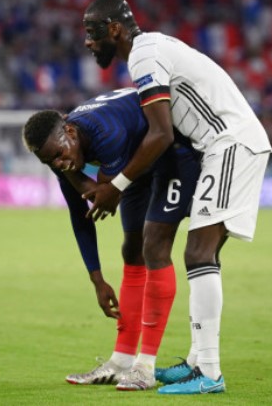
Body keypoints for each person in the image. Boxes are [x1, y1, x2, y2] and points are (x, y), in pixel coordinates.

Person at [81, 0, 272, 395]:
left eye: (91, 31)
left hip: (229, 144)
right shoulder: (153, 47)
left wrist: (116, 187)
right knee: (202, 254)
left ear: (114, 28)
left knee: (198, 254)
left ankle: (211, 374)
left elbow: (161, 133)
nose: (88, 41)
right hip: (222, 146)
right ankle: (196, 362)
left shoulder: (143, 57)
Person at [22, 88, 201, 390]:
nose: (57, 163)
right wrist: (97, 279)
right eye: (48, 162)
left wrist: (95, 186)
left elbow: (106, 192)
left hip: (174, 153)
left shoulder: (106, 132)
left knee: (154, 245)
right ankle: (122, 361)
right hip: (138, 161)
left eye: (58, 154)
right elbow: (81, 216)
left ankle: (145, 366)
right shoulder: (60, 153)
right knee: (132, 251)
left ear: (70, 131)